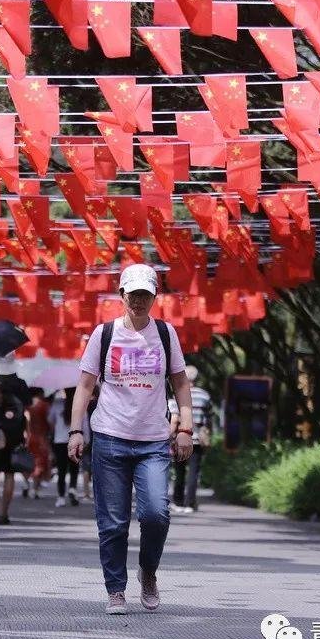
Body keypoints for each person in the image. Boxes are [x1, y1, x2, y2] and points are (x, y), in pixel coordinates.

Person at [69, 263, 194, 615]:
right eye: (133, 293)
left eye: (146, 294)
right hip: (109, 436)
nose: (139, 300)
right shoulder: (104, 334)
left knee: (156, 514)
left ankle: (148, 571)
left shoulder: (166, 334)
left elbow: (181, 383)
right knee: (113, 523)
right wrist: (77, 430)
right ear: (121, 294)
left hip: (153, 440)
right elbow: (85, 385)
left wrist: (185, 428)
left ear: (155, 297)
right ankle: (115, 590)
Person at [0, 363, 28, 525]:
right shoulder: (20, 383)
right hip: (15, 434)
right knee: (10, 474)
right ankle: (4, 513)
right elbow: (27, 406)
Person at [169, 366, 213, 513]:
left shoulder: (177, 395)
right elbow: (209, 419)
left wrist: (168, 437)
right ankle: (190, 503)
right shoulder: (204, 396)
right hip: (197, 440)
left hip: (180, 438)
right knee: (194, 472)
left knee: (179, 471)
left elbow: (174, 419)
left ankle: (178, 501)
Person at [49, 388, 79, 508]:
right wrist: (86, 440)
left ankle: (61, 497)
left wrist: (55, 430)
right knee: (74, 468)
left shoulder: (57, 404)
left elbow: (50, 420)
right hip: (75, 440)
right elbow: (85, 425)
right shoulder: (79, 404)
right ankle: (72, 488)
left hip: (60, 440)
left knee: (61, 470)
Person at [24, 388, 52, 499]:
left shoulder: (27, 406)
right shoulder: (44, 405)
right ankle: (34, 488)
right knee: (40, 463)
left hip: (29, 437)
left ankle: (29, 483)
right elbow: (49, 421)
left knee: (27, 462)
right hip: (41, 437)